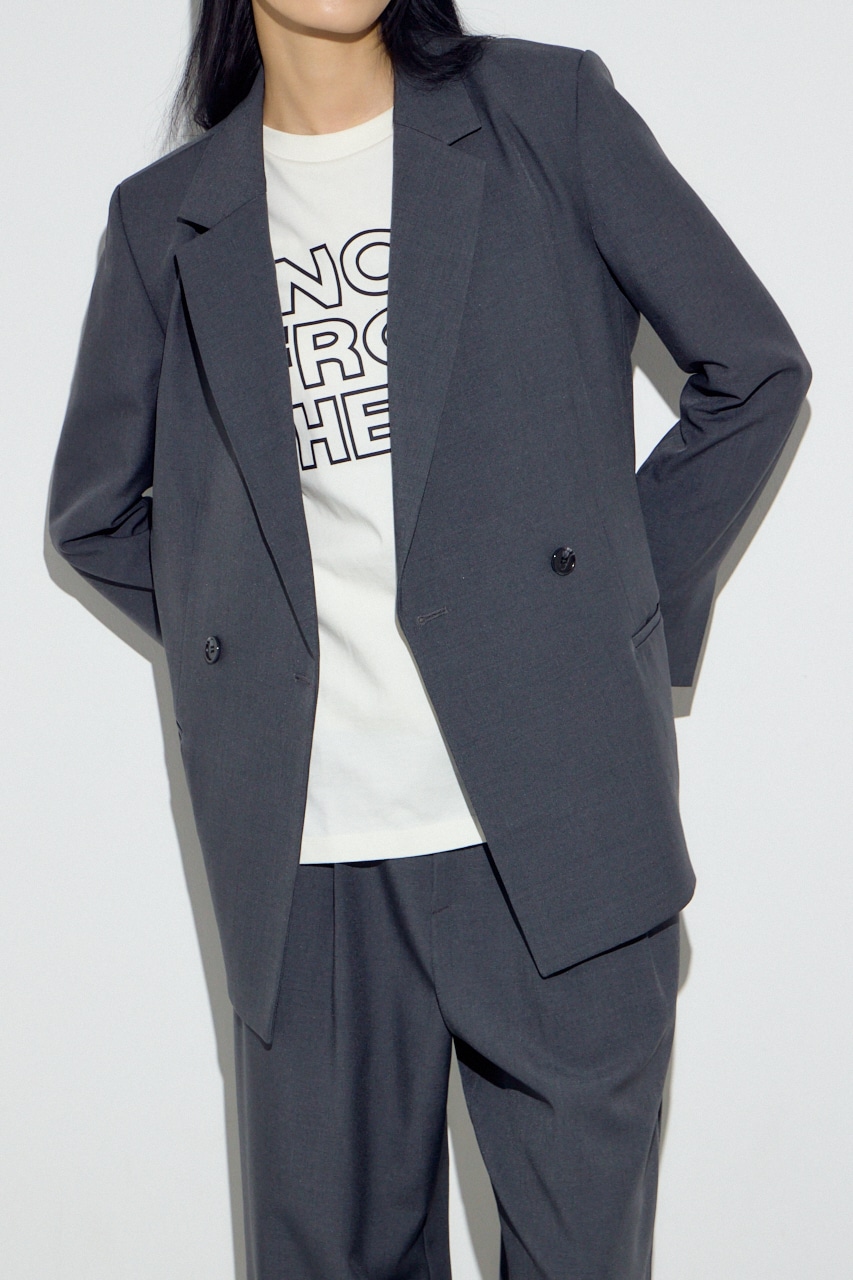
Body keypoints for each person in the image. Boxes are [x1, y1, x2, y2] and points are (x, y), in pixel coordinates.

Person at [47, 1, 811, 1276]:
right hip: (310, 872)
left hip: (560, 837)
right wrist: (256, 652)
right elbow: (96, 515)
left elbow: (753, 372)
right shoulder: (166, 219)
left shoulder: (546, 114)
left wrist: (610, 618)